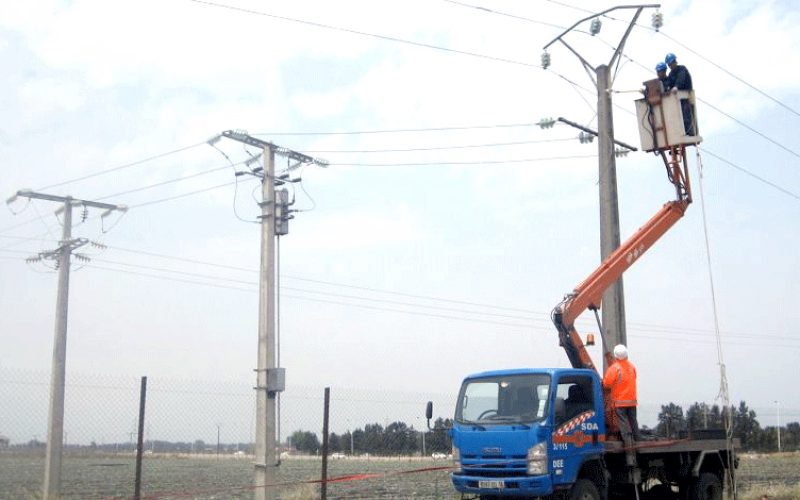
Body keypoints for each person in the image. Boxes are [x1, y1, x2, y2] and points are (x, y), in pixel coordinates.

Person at [603, 344, 640, 444]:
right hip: (632, 401)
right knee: (633, 421)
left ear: (615, 356)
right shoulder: (632, 367)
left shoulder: (614, 368)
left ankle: (627, 441)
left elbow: (606, 384)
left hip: (620, 402)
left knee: (623, 422)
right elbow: (634, 378)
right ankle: (637, 438)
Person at [664, 52, 695, 135]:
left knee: (686, 116)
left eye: (671, 63)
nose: (671, 65)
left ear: (675, 62)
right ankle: (680, 132)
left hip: (686, 97)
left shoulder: (682, 69)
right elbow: (668, 83)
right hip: (677, 99)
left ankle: (690, 132)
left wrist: (676, 86)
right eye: (669, 64)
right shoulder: (671, 74)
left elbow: (681, 79)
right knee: (677, 116)